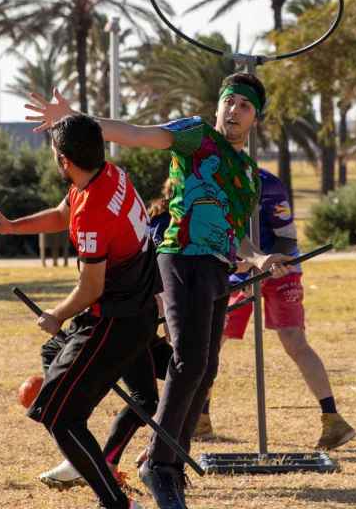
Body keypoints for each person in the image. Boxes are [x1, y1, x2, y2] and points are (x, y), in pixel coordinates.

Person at [26, 73, 291, 509]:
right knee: (187, 361)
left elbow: (233, 234)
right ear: (217, 107)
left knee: (204, 370)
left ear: (255, 118)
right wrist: (72, 120)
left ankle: (163, 459)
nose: (233, 110)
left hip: (218, 267)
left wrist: (259, 258)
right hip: (181, 255)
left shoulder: (247, 174)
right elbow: (134, 134)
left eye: (243, 106)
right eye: (228, 102)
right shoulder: (196, 136)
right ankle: (161, 467)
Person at [0, 114, 160, 509]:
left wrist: (56, 315)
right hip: (138, 312)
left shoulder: (94, 210)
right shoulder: (110, 174)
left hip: (114, 322)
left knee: (58, 415)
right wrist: (10, 227)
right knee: (141, 399)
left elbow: (91, 287)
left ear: (63, 160)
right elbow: (63, 214)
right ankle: (111, 466)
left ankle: (115, 502)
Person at [200, 168, 356, 450]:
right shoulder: (211, 179)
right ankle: (200, 419)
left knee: (295, 341)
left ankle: (333, 419)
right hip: (237, 273)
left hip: (281, 269)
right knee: (212, 343)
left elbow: (287, 237)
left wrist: (272, 263)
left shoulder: (269, 184)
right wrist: (243, 271)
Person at [37, 181, 175, 489]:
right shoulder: (164, 226)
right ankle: (92, 459)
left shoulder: (141, 210)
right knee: (58, 367)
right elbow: (158, 284)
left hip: (139, 322)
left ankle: (104, 459)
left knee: (164, 387)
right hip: (124, 322)